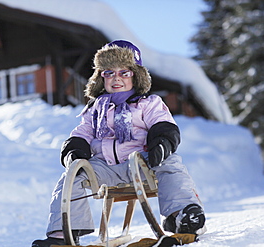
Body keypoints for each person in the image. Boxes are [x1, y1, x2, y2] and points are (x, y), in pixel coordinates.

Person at [32, 40, 206, 247]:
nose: (117, 78)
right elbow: (82, 133)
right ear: (100, 77)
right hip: (105, 167)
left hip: (143, 163)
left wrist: (161, 142)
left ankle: (182, 216)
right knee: (72, 176)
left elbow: (163, 124)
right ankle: (64, 232)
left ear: (136, 75)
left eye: (124, 73)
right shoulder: (96, 109)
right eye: (109, 73)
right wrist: (74, 151)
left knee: (171, 163)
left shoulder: (148, 103)